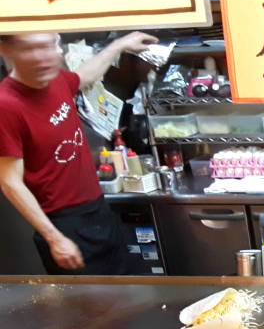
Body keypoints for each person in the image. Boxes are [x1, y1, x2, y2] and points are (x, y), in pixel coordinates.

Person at [0, 31, 157, 274]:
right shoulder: (7, 105)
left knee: (127, 292)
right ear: (7, 51)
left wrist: (119, 44)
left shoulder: (55, 80)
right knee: (90, 308)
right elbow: (10, 182)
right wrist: (54, 238)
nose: (45, 57)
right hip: (64, 224)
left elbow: (84, 76)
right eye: (32, 49)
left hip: (98, 211)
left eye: (49, 46)